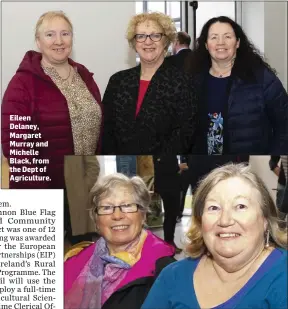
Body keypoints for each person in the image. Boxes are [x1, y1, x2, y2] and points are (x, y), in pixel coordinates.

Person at [142, 163, 287, 309]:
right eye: (214, 208)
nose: (225, 220)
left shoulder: (282, 276)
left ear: (265, 220)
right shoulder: (173, 276)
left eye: (241, 206)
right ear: (200, 221)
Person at [1, 11, 102, 189]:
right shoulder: (22, 84)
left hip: (87, 185)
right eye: (50, 35)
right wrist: (43, 195)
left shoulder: (85, 76)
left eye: (65, 33)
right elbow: (16, 146)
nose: (59, 41)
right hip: (43, 189)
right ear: (38, 42)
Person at [64, 173, 176, 309]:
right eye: (106, 208)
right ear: (96, 220)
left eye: (127, 205)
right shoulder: (75, 261)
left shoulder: (168, 272)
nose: (117, 215)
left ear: (143, 215)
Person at [187, 16, 288, 155]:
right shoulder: (192, 80)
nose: (220, 42)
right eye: (214, 37)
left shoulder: (262, 78)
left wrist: (274, 158)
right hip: (204, 164)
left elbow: (284, 125)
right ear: (206, 44)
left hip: (246, 164)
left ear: (238, 42)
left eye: (227, 37)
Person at [102, 12, 197, 154]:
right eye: (141, 36)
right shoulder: (117, 81)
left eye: (155, 35)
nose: (148, 41)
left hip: (161, 166)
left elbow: (184, 135)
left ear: (166, 41)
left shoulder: (182, 82)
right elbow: (107, 132)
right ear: (134, 42)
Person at [64, 156, 100, 245]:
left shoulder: (79, 142)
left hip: (76, 197)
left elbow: (93, 166)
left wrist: (83, 187)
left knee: (81, 240)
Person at [153, 155, 183, 253]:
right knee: (171, 215)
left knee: (170, 215)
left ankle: (169, 242)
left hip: (168, 186)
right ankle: (169, 244)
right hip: (169, 187)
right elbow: (165, 168)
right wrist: (179, 167)